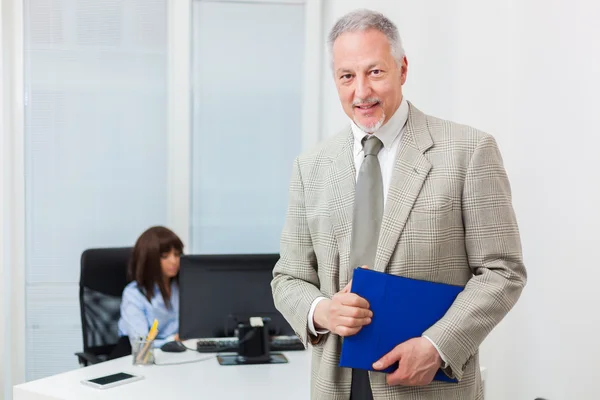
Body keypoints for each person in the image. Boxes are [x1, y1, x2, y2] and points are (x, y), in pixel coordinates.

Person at [271, 8, 527, 400]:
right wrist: (321, 310)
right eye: (347, 76)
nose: (361, 92)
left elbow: (502, 270)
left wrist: (438, 346)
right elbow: (287, 278)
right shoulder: (311, 166)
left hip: (430, 384)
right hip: (337, 384)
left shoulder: (469, 151)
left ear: (402, 69)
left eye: (375, 72)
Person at [117, 226, 184, 351]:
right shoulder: (134, 294)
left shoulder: (180, 287)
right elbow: (141, 343)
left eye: (177, 254)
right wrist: (172, 341)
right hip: (137, 356)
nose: (174, 261)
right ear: (149, 259)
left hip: (174, 352)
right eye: (165, 256)